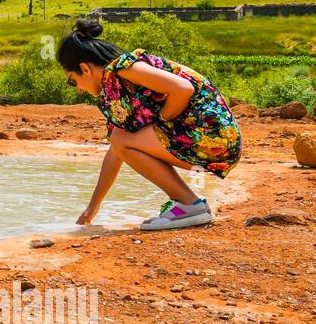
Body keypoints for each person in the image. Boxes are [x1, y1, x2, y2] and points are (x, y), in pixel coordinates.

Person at [58, 16, 241, 230]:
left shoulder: (124, 68)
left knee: (121, 138)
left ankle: (190, 205)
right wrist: (92, 207)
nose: (78, 88)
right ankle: (187, 204)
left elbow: (183, 89)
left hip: (214, 138)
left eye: (73, 80)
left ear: (85, 69)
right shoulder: (114, 91)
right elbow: (117, 149)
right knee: (120, 139)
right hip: (207, 142)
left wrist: (162, 122)